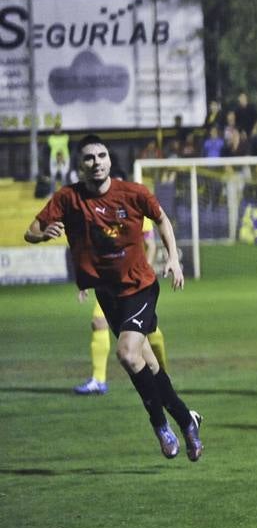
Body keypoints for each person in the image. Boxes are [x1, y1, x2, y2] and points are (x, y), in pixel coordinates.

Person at [25, 134, 203, 461]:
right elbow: (31, 230)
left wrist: (174, 258)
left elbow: (162, 219)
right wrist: (42, 235)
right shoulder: (68, 198)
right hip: (108, 293)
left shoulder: (133, 193)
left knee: (125, 353)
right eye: (90, 158)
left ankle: (160, 426)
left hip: (140, 287)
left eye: (102, 156)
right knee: (147, 363)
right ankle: (186, 418)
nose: (97, 162)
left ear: (110, 160)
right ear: (80, 164)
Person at [74, 167, 170, 396]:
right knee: (99, 322)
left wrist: (141, 270)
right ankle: (99, 379)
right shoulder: (96, 213)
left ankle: (162, 374)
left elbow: (152, 244)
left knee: (149, 331)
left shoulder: (131, 205)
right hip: (107, 283)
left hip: (135, 282)